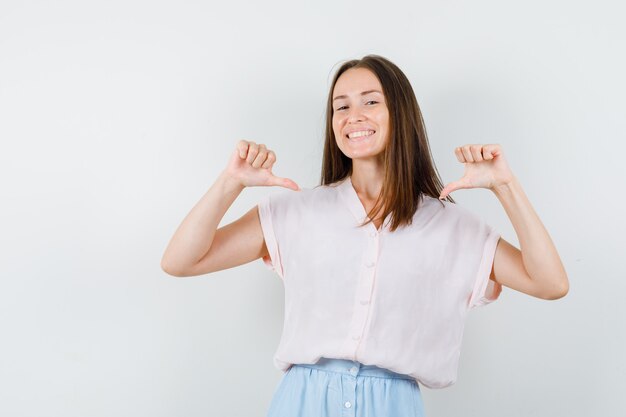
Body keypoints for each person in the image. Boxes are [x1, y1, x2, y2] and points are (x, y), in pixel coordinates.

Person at [161, 54, 569, 417]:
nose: (352, 116)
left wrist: (505, 187)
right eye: (341, 106)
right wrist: (231, 182)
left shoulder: (452, 227)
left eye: (370, 101)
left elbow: (550, 283)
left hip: (395, 404)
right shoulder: (296, 211)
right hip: (302, 399)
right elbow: (180, 261)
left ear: (401, 114)